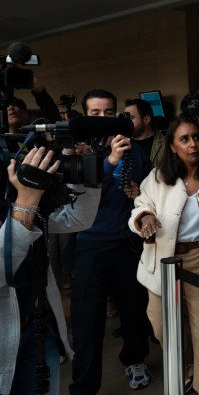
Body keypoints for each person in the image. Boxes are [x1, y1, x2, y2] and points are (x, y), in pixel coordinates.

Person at [129, 115, 199, 395]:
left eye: (196, 137)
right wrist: (145, 217)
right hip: (163, 261)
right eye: (184, 139)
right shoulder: (158, 177)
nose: (192, 144)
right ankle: (181, 370)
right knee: (161, 325)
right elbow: (141, 203)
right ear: (171, 146)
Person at [69, 89, 153, 394]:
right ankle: (84, 384)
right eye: (95, 113)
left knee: (133, 308)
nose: (103, 119)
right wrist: (110, 161)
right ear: (85, 116)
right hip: (91, 244)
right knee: (87, 319)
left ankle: (135, 359)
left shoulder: (134, 150)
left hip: (127, 242)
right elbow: (77, 192)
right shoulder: (75, 150)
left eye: (109, 113)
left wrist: (138, 194)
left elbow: (150, 189)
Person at [0, 146, 101, 395]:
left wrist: (78, 172)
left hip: (39, 331)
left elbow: (77, 219)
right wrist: (26, 202)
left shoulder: (10, 191)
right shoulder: (22, 197)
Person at [124, 98, 166, 166]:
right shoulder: (121, 144)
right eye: (125, 118)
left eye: (131, 118)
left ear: (146, 120)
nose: (126, 122)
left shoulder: (166, 144)